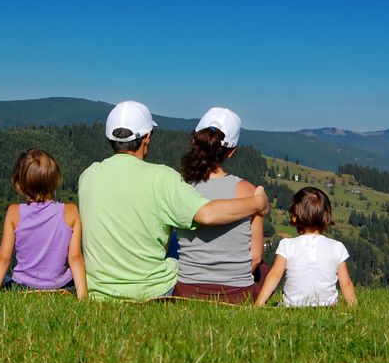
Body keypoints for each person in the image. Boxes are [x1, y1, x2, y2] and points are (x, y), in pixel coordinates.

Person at [78, 100, 269, 300]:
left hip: (96, 291)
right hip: (150, 291)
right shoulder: (162, 178)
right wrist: (257, 203)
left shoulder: (88, 176)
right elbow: (207, 214)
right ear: (147, 138)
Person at [174, 107, 268, 303]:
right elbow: (256, 257)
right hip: (236, 294)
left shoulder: (180, 188)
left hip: (187, 291)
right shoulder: (249, 191)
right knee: (264, 269)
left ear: (194, 141)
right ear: (232, 152)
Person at [0, 149, 88, 299]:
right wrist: (83, 297)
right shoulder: (70, 212)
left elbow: (3, 258)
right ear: (55, 181)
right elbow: (75, 258)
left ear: (20, 185)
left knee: (7, 281)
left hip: (22, 287)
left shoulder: (14, 213)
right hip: (61, 287)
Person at [255, 187, 356, 307]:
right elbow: (346, 283)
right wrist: (354, 309)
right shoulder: (337, 247)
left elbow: (275, 275)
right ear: (327, 216)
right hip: (328, 308)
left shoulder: (287, 245)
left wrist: (259, 303)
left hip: (292, 308)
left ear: (295, 217)